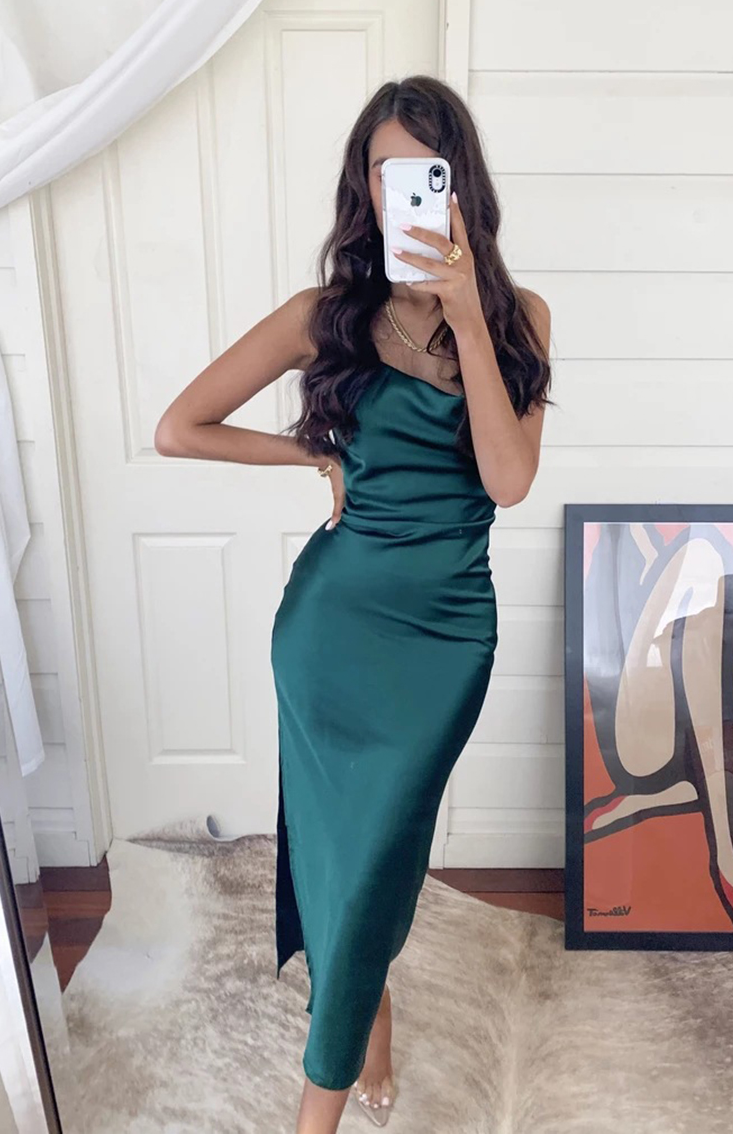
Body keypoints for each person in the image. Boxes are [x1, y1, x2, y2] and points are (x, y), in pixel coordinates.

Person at [155, 74, 552, 1134]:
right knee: (351, 862)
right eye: (383, 173)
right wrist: (311, 456)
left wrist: (466, 317)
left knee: (379, 855)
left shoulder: (520, 321)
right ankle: (332, 1083)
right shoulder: (322, 318)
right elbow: (179, 428)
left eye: (423, 171)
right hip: (330, 633)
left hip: (443, 645)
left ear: (459, 185)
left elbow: (507, 480)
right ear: (363, 189)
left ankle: (360, 1006)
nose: (399, 192)